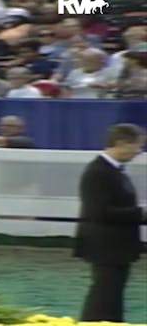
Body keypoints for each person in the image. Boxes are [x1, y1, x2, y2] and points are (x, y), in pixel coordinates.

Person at [74, 123, 147, 322]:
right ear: (121, 143)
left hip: (115, 245)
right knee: (104, 295)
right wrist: (142, 214)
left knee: (111, 294)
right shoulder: (98, 172)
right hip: (106, 245)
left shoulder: (112, 171)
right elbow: (99, 212)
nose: (139, 151)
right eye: (137, 145)